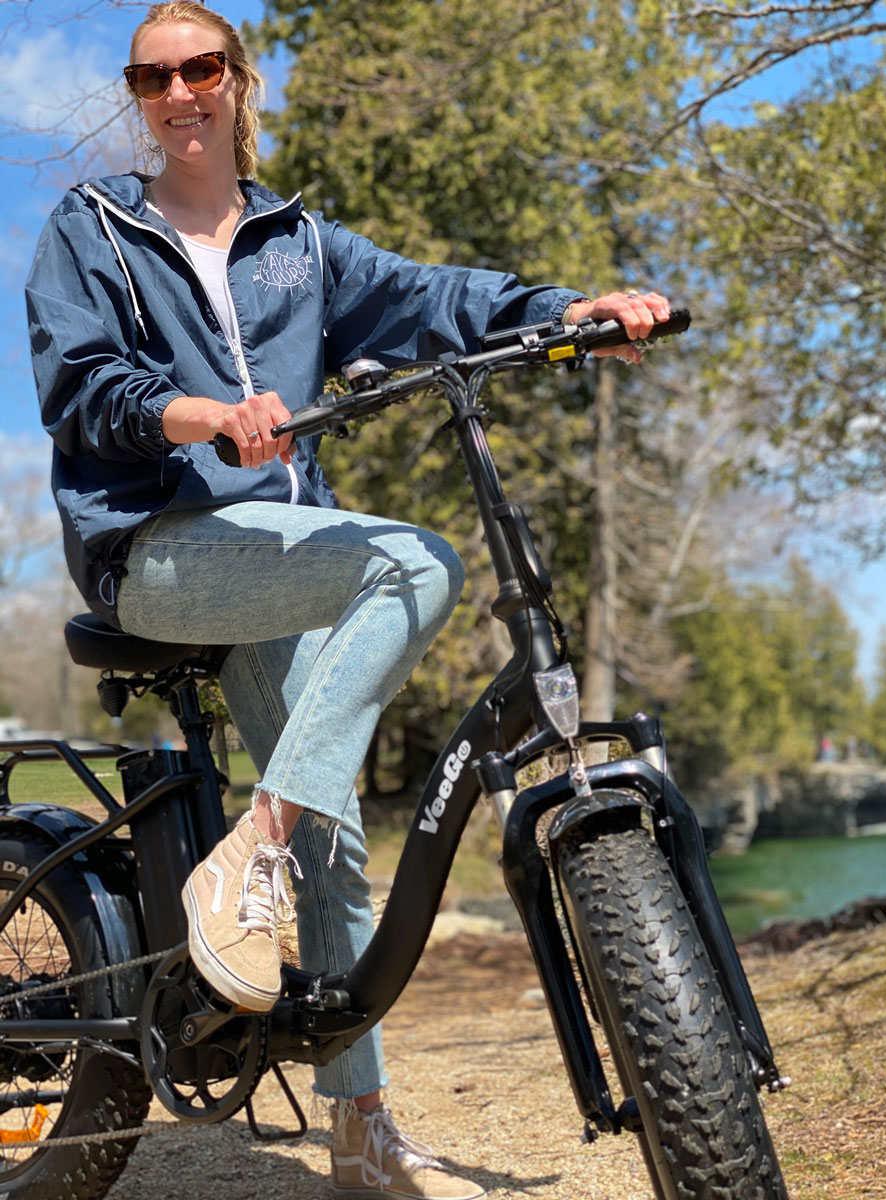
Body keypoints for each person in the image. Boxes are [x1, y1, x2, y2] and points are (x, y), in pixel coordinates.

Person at [25, 4, 671, 1197]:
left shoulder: (298, 242)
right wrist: (207, 416)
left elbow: (431, 299)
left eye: (201, 68)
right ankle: (251, 852)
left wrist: (566, 310)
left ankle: (361, 1126)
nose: (180, 93)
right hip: (155, 547)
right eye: (153, 77)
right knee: (416, 565)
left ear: (238, 80)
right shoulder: (94, 227)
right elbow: (82, 387)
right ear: (138, 95)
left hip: (278, 552)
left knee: (334, 834)